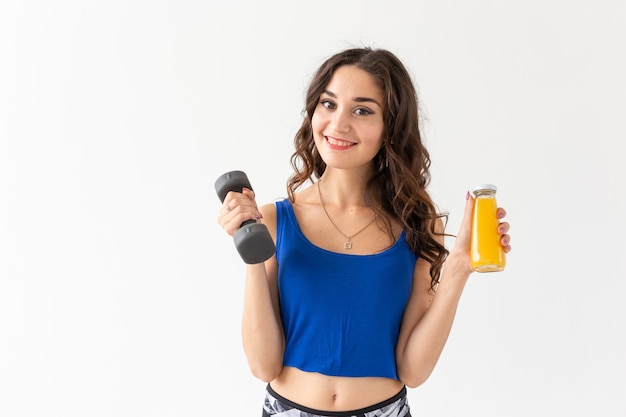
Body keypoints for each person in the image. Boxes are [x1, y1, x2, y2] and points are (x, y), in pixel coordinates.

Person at [217, 47, 512, 417]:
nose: (339, 124)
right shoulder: (273, 221)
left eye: (362, 110)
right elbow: (263, 365)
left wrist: (458, 269)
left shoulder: (419, 226)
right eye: (328, 104)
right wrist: (252, 256)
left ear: (391, 126)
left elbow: (413, 370)